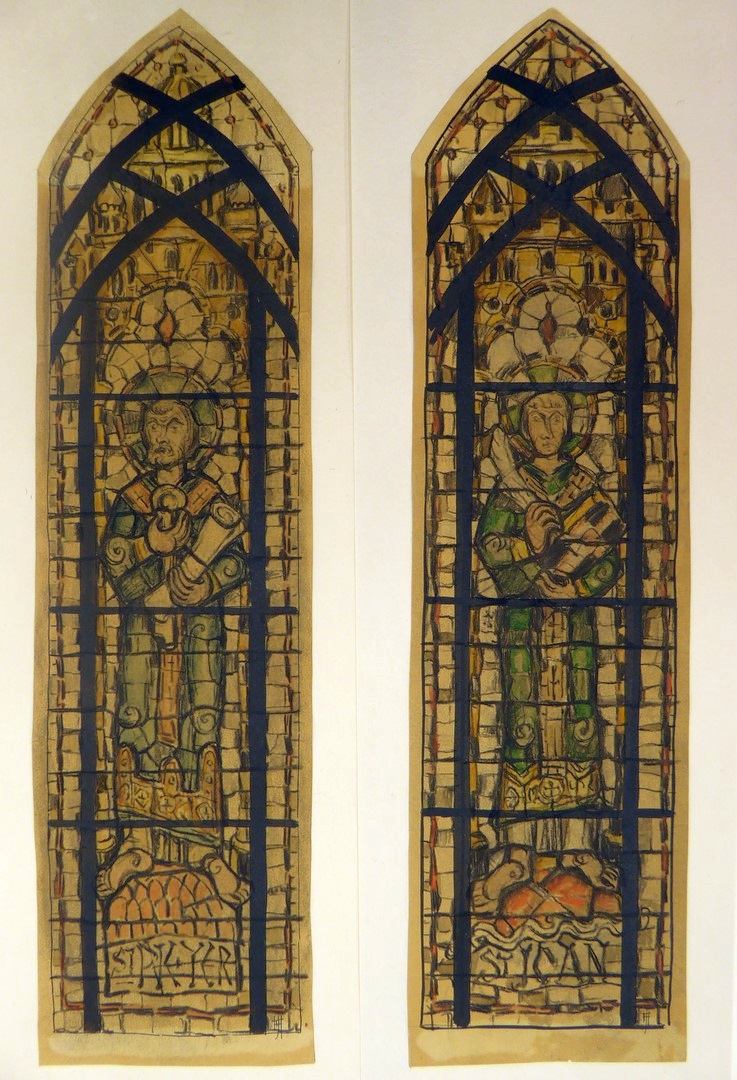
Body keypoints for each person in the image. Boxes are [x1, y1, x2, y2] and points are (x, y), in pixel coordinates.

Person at [473, 390, 624, 909]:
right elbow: (490, 548)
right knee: (523, 726)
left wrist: (578, 587)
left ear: (572, 424)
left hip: (574, 626)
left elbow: (611, 554)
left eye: (557, 414)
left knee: (580, 724)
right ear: (520, 422)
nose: (547, 424)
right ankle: (518, 850)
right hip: (524, 627)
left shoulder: (585, 486)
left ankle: (579, 846)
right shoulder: (510, 488)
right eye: (538, 414)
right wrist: (533, 552)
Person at [98, 398, 248, 902]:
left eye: (174, 424)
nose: (161, 434)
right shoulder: (131, 500)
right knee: (136, 722)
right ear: (140, 436)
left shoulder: (210, 499)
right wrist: (150, 549)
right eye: (153, 425)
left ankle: (208, 854)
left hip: (199, 638)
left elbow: (236, 561)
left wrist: (205, 583)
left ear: (195, 435)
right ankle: (136, 845)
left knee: (199, 725)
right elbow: (114, 561)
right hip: (143, 636)